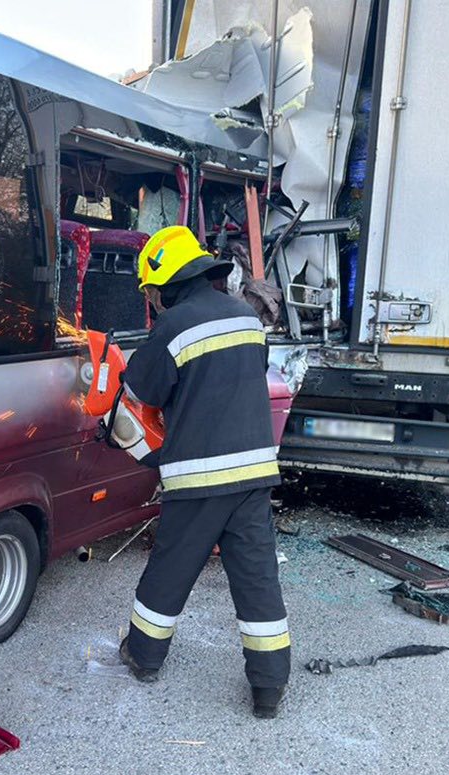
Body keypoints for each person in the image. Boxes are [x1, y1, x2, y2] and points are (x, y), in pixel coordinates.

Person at [116, 225, 290, 718]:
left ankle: (143, 656)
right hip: (254, 472)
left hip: (199, 477)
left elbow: (143, 392)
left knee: (169, 572)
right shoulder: (246, 317)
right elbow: (243, 376)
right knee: (257, 580)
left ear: (164, 285)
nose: (151, 301)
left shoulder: (173, 326)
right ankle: (269, 688)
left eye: (151, 291)